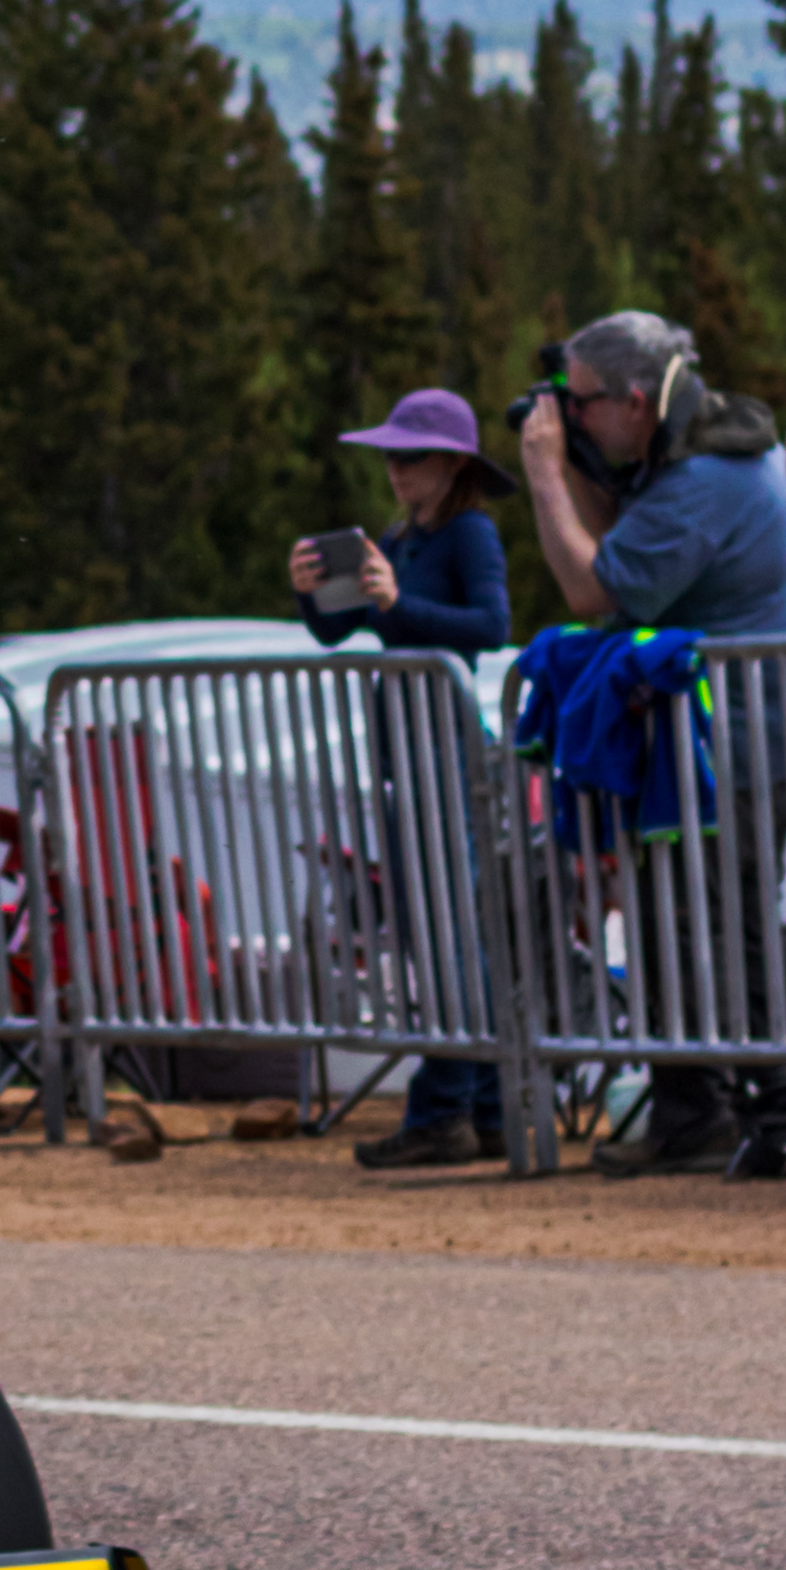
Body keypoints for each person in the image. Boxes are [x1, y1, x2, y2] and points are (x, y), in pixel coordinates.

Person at [518, 307, 786, 1176]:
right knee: (683, 923)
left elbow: (594, 586)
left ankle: (779, 1107)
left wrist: (546, 473)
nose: (568, 417)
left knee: (724, 926)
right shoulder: (694, 448)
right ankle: (712, 1111)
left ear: (636, 399)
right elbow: (621, 531)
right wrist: (577, 456)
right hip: (724, 740)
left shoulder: (707, 480)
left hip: (739, 744)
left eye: (580, 405)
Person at [293, 385, 516, 1170]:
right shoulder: (407, 537)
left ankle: (450, 1109)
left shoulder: (469, 535)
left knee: (451, 940)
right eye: (387, 455)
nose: (393, 470)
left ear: (452, 463)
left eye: (408, 456)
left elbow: (491, 627)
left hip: (444, 757)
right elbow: (343, 628)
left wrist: (392, 602)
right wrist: (313, 593)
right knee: (441, 937)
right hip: (411, 756)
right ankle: (487, 1109)